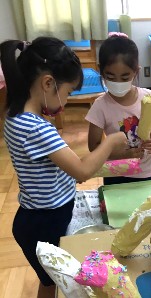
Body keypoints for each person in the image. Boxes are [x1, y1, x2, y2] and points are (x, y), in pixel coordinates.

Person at [0, 37, 127, 297]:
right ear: (48, 83)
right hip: (44, 223)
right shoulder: (35, 128)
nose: (66, 102)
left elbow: (61, 167)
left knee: (50, 282)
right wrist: (112, 141)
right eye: (68, 93)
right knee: (56, 285)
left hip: (37, 218)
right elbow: (81, 171)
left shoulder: (16, 116)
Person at [85, 33, 151, 185]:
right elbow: (93, 147)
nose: (118, 82)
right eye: (111, 77)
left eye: (125, 77)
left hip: (148, 172)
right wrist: (119, 154)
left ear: (136, 71)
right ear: (101, 71)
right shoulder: (100, 106)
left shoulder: (148, 97)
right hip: (116, 173)